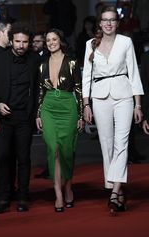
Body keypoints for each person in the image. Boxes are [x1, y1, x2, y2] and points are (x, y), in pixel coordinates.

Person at [82, 6, 144, 214]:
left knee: (121, 142)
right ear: (100, 23)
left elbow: (134, 73)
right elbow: (86, 77)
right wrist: (86, 103)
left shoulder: (126, 42)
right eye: (105, 20)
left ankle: (115, 191)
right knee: (106, 144)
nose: (109, 23)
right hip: (99, 97)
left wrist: (138, 104)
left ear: (117, 23)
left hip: (124, 95)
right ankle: (117, 189)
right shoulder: (90, 44)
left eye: (112, 20)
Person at [0, 22, 41, 213]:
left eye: (25, 42)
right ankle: (3, 197)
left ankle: (23, 196)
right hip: (4, 117)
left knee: (23, 158)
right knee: (2, 156)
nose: (21, 45)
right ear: (11, 41)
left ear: (30, 43)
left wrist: (36, 113)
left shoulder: (35, 60)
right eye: (17, 41)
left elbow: (37, 89)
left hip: (24, 117)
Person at [36, 29, 84, 212]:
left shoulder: (72, 62)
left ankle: (68, 187)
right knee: (53, 148)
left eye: (54, 39)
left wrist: (80, 115)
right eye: (47, 40)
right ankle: (58, 193)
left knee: (67, 150)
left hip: (67, 107)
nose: (50, 42)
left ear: (60, 41)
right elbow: (40, 91)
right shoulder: (42, 65)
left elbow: (79, 90)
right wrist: (38, 114)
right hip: (49, 107)